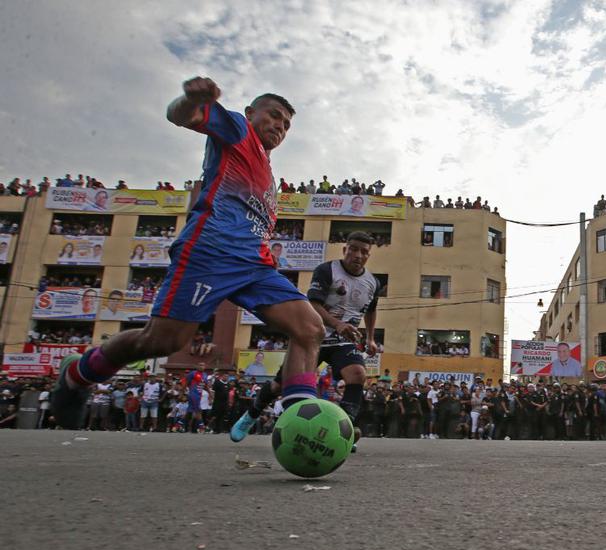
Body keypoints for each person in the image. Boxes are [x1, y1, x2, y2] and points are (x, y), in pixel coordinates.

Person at [50, 77, 325, 431]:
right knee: (162, 341)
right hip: (210, 254)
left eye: (286, 124)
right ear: (250, 113)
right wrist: (192, 99)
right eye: (273, 116)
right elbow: (181, 116)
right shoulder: (238, 131)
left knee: (309, 328)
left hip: (255, 265)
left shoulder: (270, 176)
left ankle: (300, 423)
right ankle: (76, 374)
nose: (279, 126)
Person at [232, 232, 382, 452]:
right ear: (345, 250)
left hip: (343, 341)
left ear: (369, 255)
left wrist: (370, 337)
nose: (358, 255)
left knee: (358, 375)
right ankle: (252, 414)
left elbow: (372, 309)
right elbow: (313, 305)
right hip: (313, 336)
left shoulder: (373, 283)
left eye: (364, 251)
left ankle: (345, 430)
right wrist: (337, 324)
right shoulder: (327, 270)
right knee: (279, 385)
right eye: (353, 249)